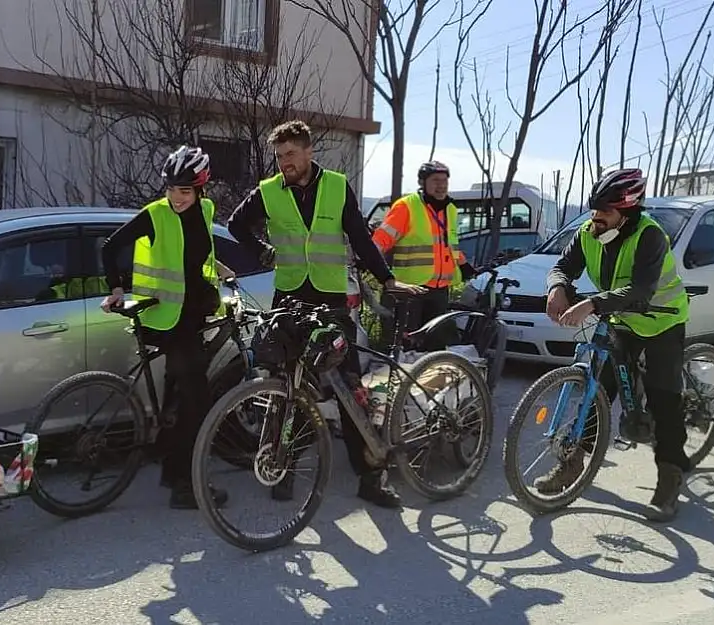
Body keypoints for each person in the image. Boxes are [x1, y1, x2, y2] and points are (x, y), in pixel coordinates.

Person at [228, 120, 426, 509]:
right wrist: (262, 251)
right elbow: (236, 225)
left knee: (346, 384)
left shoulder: (336, 186)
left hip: (331, 299)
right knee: (286, 384)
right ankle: (282, 468)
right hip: (289, 298)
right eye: (279, 156)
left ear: (308, 151)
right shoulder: (269, 191)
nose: (284, 162)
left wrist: (386, 280)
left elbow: (360, 238)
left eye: (290, 154)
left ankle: (370, 476)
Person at [543, 168, 690, 522]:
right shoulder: (589, 234)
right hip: (620, 320)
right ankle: (573, 461)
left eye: (604, 211)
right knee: (597, 393)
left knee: (663, 398)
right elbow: (564, 265)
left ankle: (670, 476)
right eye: (594, 209)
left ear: (626, 212)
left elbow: (641, 292)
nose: (595, 217)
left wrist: (591, 304)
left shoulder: (650, 236)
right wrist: (557, 287)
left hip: (661, 321)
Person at [101, 145, 233, 511]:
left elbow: (197, 252)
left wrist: (221, 271)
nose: (177, 197)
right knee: (198, 401)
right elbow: (109, 248)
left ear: (201, 189)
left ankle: (169, 462)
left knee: (180, 397)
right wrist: (115, 289)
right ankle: (184, 485)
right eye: (172, 188)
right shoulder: (154, 215)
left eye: (185, 190)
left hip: (192, 317)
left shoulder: (205, 210)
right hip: (165, 320)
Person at [372, 160, 478, 349]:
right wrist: (370, 262)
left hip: (439, 290)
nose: (441, 185)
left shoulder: (450, 209)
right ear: (422, 182)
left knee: (435, 346)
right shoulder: (407, 206)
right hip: (409, 290)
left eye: (445, 180)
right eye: (436, 180)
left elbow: (449, 245)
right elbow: (381, 240)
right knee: (404, 347)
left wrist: (463, 265)